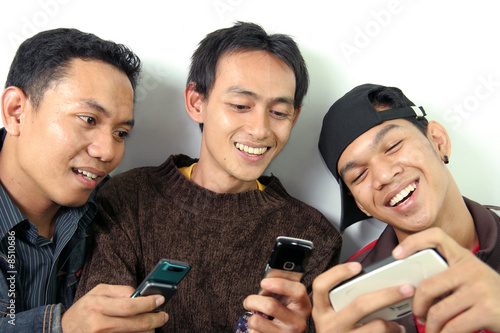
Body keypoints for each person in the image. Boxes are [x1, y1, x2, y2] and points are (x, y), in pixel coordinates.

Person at [76, 22, 342, 332]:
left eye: (279, 113)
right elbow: (103, 322)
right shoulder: (127, 198)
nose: (260, 129)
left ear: (294, 117)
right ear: (196, 102)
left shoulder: (314, 235)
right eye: (241, 105)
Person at [0, 28, 169, 332]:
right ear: (16, 112)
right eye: (88, 120)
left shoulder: (114, 207)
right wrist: (61, 327)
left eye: (121, 133)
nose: (108, 152)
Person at [313, 83, 500, 333]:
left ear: (438, 141)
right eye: (359, 175)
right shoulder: (350, 298)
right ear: (359, 203)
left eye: (392, 147)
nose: (383, 176)